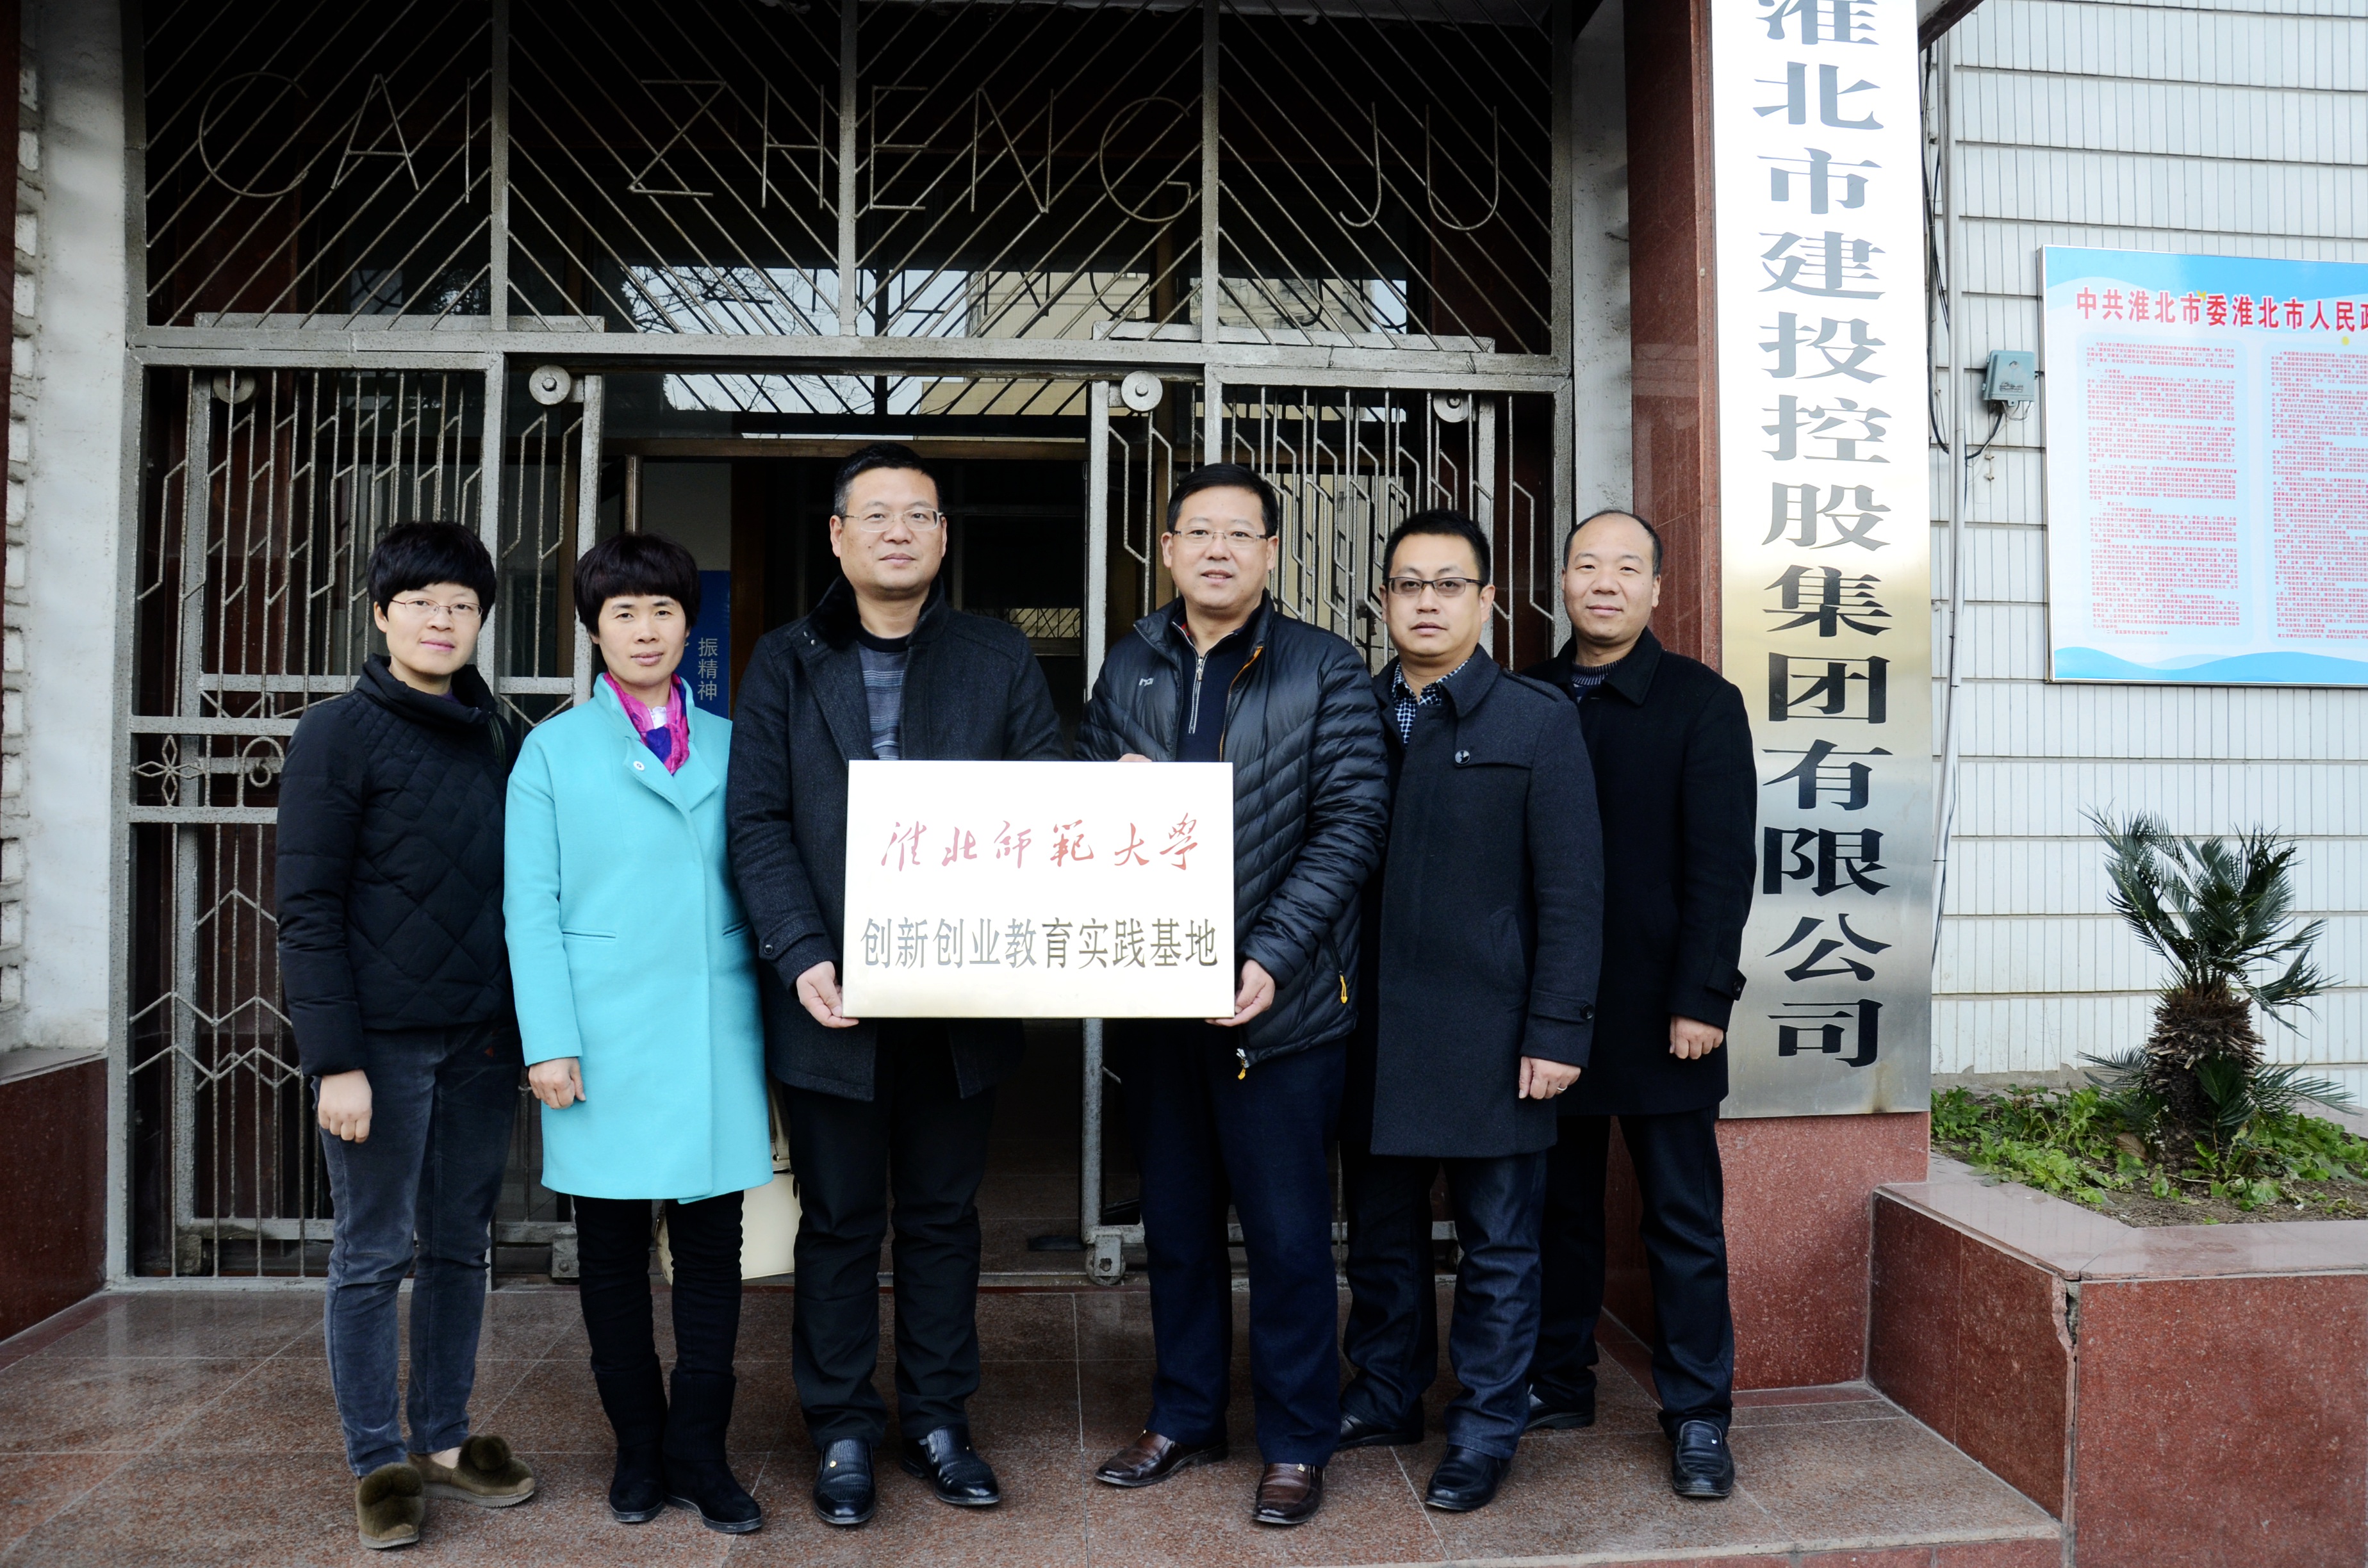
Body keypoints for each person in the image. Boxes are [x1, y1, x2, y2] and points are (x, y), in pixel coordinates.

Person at [725, 443, 1064, 1528]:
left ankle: (938, 1420)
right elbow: (757, 821)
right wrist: (800, 951)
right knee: (836, 1219)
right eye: (875, 514)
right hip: (832, 995)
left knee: (942, 1218)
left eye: (918, 514)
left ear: (943, 536)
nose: (898, 531)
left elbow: (1042, 795)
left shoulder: (995, 654)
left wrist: (1111, 794)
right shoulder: (785, 660)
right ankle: (839, 1428)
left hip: (958, 997)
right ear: (838, 536)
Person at [1080, 463, 1389, 1528]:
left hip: (1282, 1007)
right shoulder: (1131, 663)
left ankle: (1297, 1438)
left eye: (1239, 534)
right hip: (1160, 999)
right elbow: (1083, 805)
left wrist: (1271, 955)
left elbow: (1351, 823)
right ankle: (1186, 1415)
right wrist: (1102, 789)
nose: (1218, 550)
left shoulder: (1324, 666)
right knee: (1175, 1226)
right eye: (1198, 532)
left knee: (1290, 1238)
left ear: (1271, 553)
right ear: (1166, 549)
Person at [506, 532, 772, 1535]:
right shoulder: (552, 750)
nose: (646, 629)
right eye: (623, 613)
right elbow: (529, 907)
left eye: (663, 610)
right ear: (594, 630)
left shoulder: (738, 743)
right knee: (611, 1257)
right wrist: (549, 1040)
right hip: (599, 1039)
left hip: (715, 1030)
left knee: (712, 1253)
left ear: (687, 621)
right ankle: (637, 1448)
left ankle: (701, 1451)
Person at [276, 521, 536, 1551]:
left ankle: (442, 1438)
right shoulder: (336, 734)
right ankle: (377, 1459)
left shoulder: (503, 733)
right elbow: (307, 910)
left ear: (480, 622)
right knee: (374, 1251)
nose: (442, 620)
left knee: (461, 1247)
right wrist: (334, 1061)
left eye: (462, 605)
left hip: (480, 1039)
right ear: (381, 614)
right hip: (378, 1048)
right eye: (421, 602)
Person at [1337, 510, 1603, 1514]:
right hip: (1369, 1028)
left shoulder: (1536, 720)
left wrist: (1558, 1029)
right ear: (1384, 601)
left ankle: (1487, 1427)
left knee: (1499, 1246)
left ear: (1488, 600)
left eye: (1450, 585)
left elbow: (1573, 892)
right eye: (1409, 585)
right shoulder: (1351, 712)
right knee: (1381, 1236)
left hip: (1495, 1033)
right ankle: (1386, 1393)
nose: (1428, 603)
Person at [1520, 509, 1755, 1500]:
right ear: (1561, 581)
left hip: (1665, 1015)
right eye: (1587, 565)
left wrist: (1703, 998)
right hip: (1549, 1012)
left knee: (1682, 1222)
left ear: (1657, 589)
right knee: (1557, 1212)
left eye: (1627, 568)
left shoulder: (1701, 702)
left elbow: (1723, 864)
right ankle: (1557, 1380)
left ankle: (1699, 1415)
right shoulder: (1525, 695)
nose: (1604, 583)